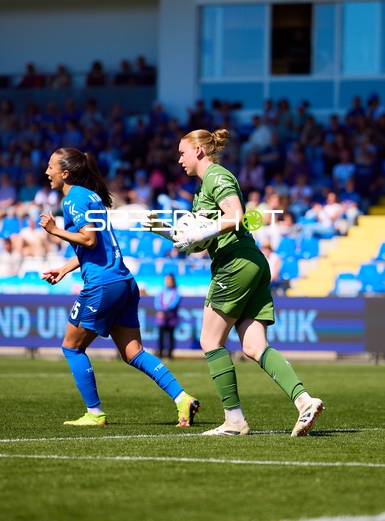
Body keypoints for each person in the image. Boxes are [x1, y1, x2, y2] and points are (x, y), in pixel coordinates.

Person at [142, 129, 324, 437]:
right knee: (254, 346)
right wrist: (166, 231)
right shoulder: (203, 189)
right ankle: (305, 401)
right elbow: (200, 242)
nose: (179, 159)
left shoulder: (216, 176)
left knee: (210, 341)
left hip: (234, 263)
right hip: (250, 262)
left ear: (199, 151)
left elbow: (236, 215)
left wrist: (200, 232)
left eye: (182, 152)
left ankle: (234, 420)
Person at [39, 147, 200, 427]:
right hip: (123, 281)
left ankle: (94, 413)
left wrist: (55, 231)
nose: (46, 172)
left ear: (65, 173)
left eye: (51, 167)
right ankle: (182, 398)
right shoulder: (91, 197)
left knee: (71, 347)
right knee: (134, 352)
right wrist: (64, 269)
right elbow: (97, 245)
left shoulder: (73, 199)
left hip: (102, 284)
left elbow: (89, 240)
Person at [154, 274, 181, 359]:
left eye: (170, 280)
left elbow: (173, 304)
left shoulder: (176, 292)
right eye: (167, 280)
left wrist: (165, 312)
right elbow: (157, 303)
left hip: (171, 318)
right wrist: (160, 311)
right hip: (161, 319)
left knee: (170, 337)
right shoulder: (161, 292)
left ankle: (169, 355)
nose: (168, 282)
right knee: (160, 336)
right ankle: (160, 353)